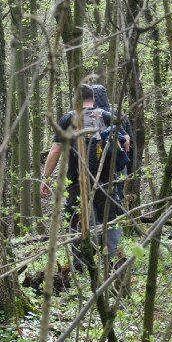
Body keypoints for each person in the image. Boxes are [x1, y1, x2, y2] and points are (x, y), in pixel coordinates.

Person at [40, 84, 129, 266]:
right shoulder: (107, 116)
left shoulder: (69, 118)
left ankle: (82, 263)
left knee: (76, 218)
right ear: (94, 99)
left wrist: (46, 178)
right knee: (110, 218)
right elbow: (125, 139)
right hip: (106, 178)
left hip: (77, 180)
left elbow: (56, 150)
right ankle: (114, 260)